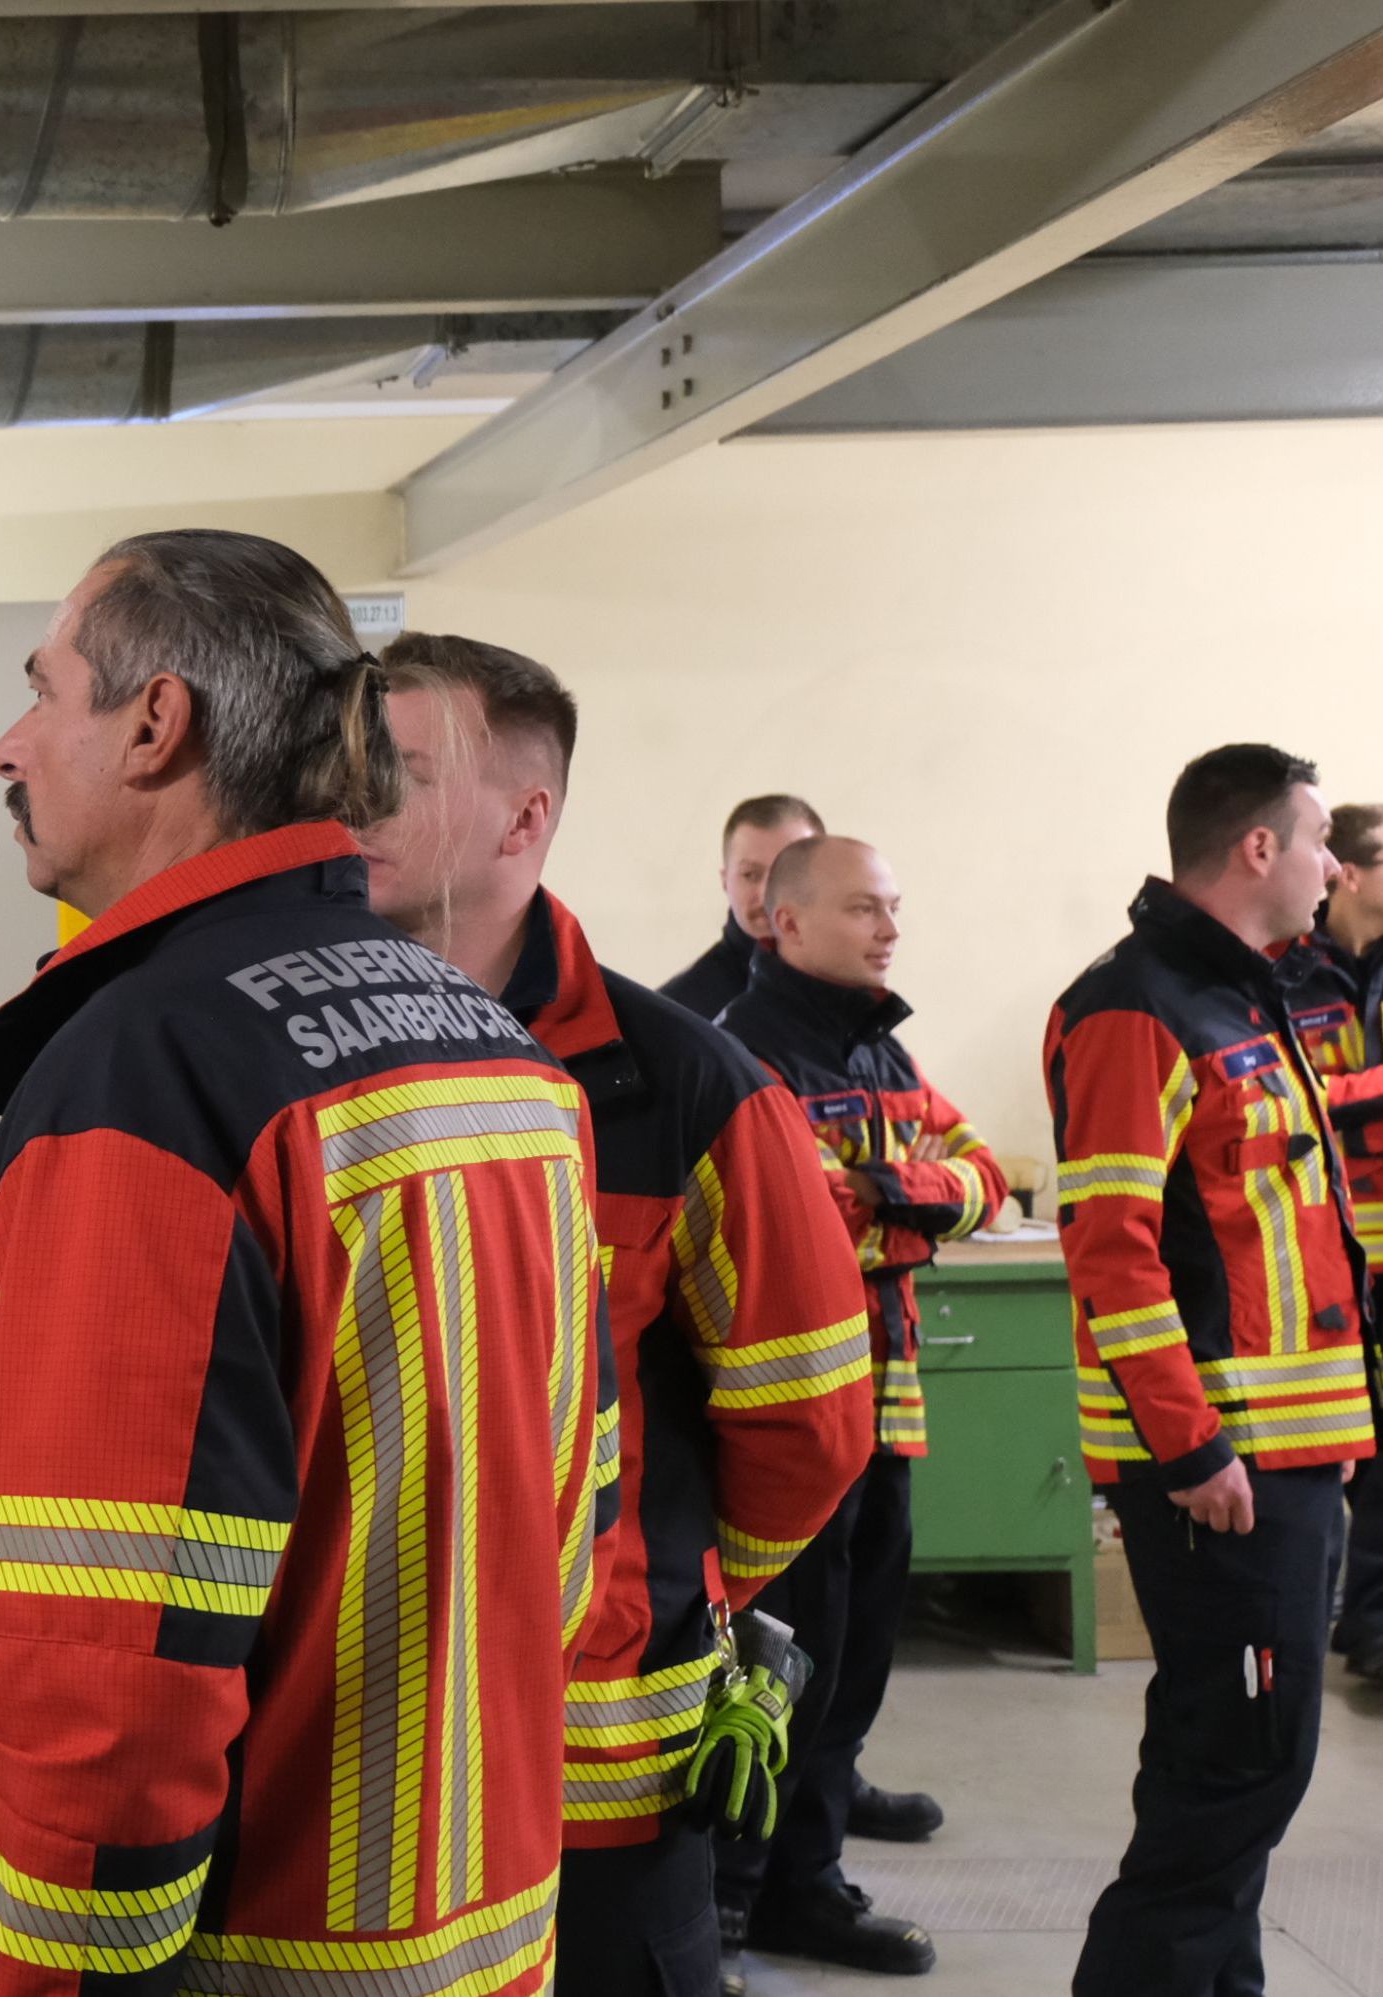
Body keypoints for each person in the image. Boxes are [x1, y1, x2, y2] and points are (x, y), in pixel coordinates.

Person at [0, 532, 609, 1997]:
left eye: (42, 690)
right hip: (476, 1933)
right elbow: (571, 1525)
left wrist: (50, 1977)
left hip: (243, 1954)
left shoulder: (150, 1069)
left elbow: (105, 1647)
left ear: (152, 725)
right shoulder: (486, 1039)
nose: (7, 742)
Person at [355, 633, 873, 1997]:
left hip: (596, 1770)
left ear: (525, 817)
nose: (347, 802)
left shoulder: (680, 1084)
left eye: (394, 773)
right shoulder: (288, 1053)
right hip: (358, 1761)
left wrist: (647, 1591)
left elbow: (808, 1421)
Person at [1048, 745, 1374, 1997]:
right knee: (1232, 1767)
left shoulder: (1247, 997)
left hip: (1285, 1459)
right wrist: (1190, 1447)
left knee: (1245, 1758)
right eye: (1314, 842)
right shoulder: (1139, 1004)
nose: (1333, 867)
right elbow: (1112, 1251)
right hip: (1221, 1474)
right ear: (1255, 849)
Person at [713, 835, 1006, 1980]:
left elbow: (981, 1175)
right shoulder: (745, 1055)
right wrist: (903, 1210)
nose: (889, 928)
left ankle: (806, 1883)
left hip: (886, 1413)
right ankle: (727, 1902)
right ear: (781, 923)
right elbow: (793, 1225)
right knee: (771, 1669)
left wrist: (887, 1192)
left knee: (851, 1669)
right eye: (861, 909)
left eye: (893, 907)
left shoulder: (883, 1049)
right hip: (790, 1422)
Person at [1285, 804, 1383, 1679]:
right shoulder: (1288, 975)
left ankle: (1373, 1631)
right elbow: (1299, 1102)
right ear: (1348, 873)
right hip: (1317, 1258)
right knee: (1341, 1457)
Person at [661, 796, 826, 1021]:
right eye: (751, 875)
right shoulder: (677, 1015)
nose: (767, 894)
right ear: (725, 881)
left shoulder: (856, 993)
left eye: (787, 872)